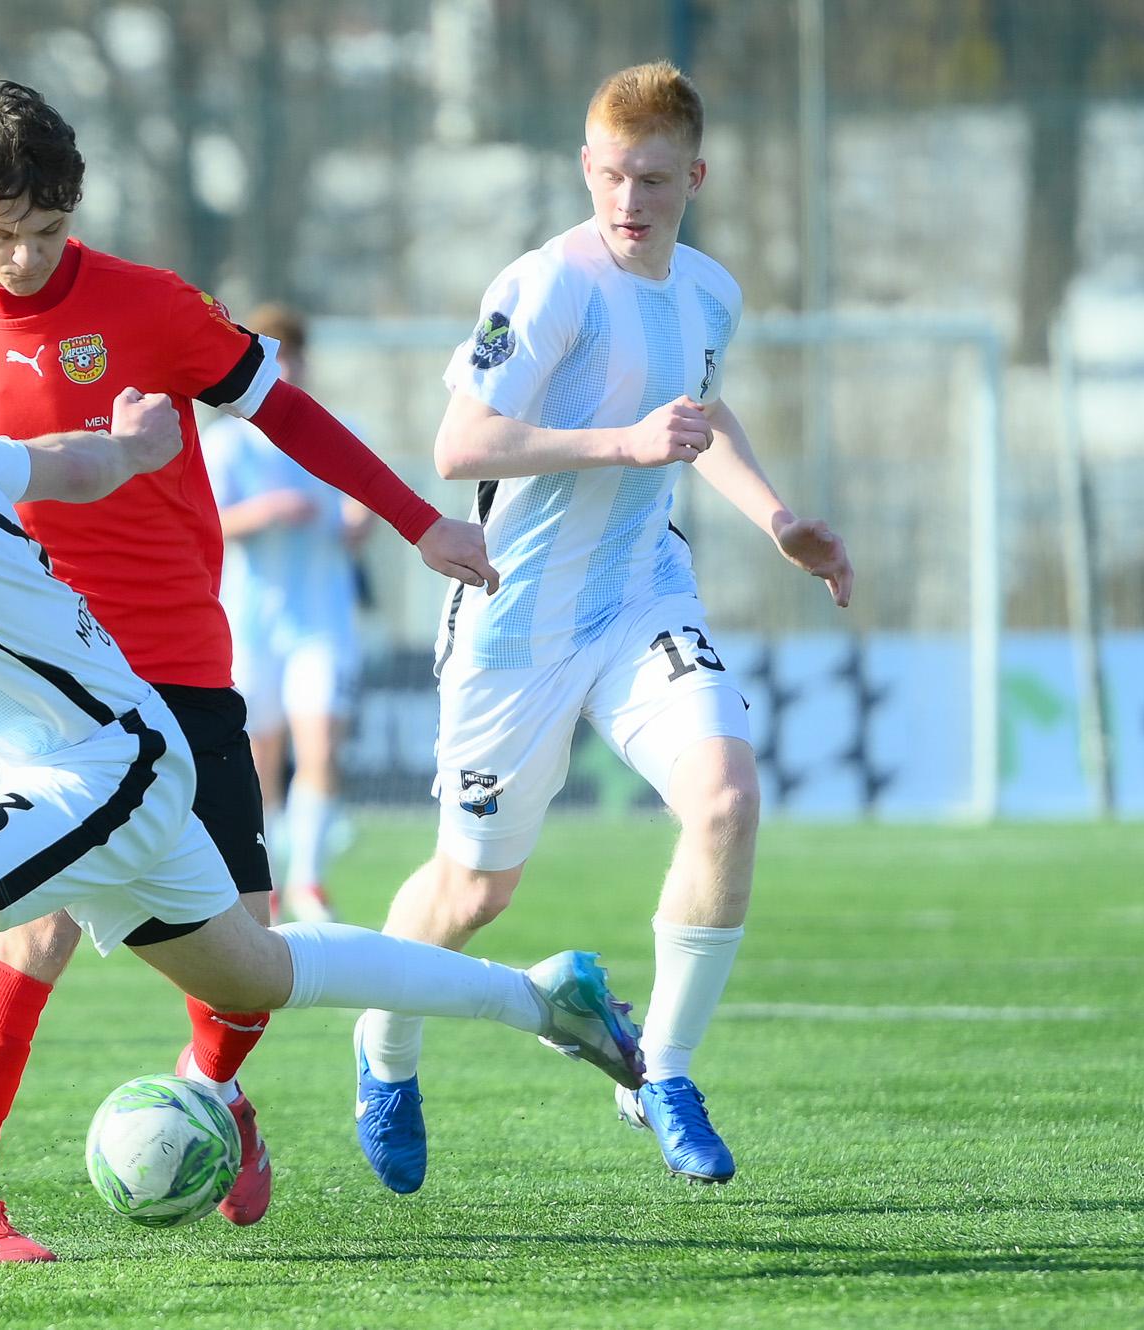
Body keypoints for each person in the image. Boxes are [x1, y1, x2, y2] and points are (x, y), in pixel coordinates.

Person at [0, 312, 644, 1294]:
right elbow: (63, 466)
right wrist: (135, 449)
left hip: (99, 764)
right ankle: (543, 1001)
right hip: (111, 750)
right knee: (257, 972)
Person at [0, 80, 498, 1260]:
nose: (23, 254)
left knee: (248, 958)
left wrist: (417, 523)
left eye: (46, 230)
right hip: (46, 685)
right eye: (0, 233)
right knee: (34, 927)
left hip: (179, 658)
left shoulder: (150, 306)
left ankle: (210, 1092)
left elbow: (287, 416)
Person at [353, 61, 855, 1193]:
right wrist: (621, 444)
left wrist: (777, 518)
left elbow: (698, 412)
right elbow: (460, 447)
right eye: (614, 176)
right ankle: (384, 1055)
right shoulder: (545, 286)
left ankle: (660, 1071)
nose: (631, 200)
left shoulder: (710, 292)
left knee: (726, 800)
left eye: (655, 180)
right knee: (472, 892)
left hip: (641, 594)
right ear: (586, 168)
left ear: (696, 178)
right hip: (515, 619)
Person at [204, 304, 372, 924]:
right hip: (251, 623)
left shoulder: (337, 429)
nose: (287, 367)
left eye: (294, 355)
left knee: (321, 746)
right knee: (261, 755)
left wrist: (359, 521)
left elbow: (366, 500)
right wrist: (265, 512)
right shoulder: (226, 444)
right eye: (275, 356)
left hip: (323, 619)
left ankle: (310, 882)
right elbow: (206, 524)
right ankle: (268, 880)